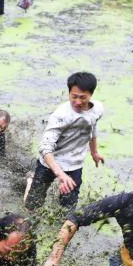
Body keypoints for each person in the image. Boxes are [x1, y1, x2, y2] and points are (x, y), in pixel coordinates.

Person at [24, 72, 104, 213]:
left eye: (83, 98)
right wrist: (61, 175)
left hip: (74, 164)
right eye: (74, 97)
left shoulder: (97, 109)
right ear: (68, 93)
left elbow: (92, 128)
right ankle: (31, 182)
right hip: (49, 163)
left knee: (67, 210)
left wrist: (94, 152)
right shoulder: (61, 115)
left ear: (91, 94)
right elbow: (45, 148)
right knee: (32, 207)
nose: (78, 102)